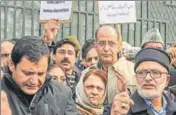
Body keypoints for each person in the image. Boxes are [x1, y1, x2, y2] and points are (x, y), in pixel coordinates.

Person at [1, 36, 79, 115]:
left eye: (41, 74)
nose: (34, 81)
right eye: (28, 73)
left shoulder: (62, 94)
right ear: (11, 65)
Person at [111, 48, 176, 115]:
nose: (147, 78)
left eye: (155, 73)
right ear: (136, 77)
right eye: (141, 72)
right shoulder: (120, 109)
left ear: (167, 80)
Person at [82, 25, 137, 104]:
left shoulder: (133, 71)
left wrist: (126, 93)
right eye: (101, 43)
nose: (106, 49)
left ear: (119, 46)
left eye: (111, 44)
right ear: (96, 46)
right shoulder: (86, 73)